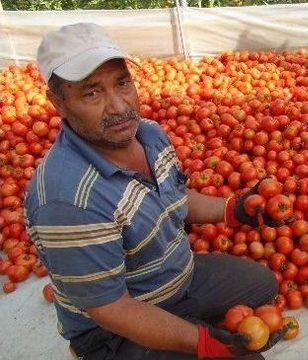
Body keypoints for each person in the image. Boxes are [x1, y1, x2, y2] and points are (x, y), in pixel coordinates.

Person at [24, 22, 291, 360]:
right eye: (91, 93)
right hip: (113, 329)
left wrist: (232, 209)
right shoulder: (67, 200)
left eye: (122, 83)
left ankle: (178, 323)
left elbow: (174, 198)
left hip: (177, 278)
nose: (120, 107)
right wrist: (201, 342)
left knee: (264, 284)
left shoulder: (149, 135)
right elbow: (111, 309)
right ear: (58, 104)